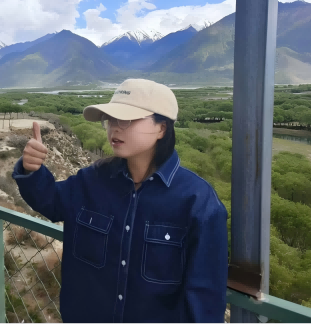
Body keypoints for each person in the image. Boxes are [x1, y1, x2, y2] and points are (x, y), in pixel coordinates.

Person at [12, 78, 228, 323]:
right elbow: (51, 201)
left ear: (162, 128)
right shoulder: (91, 181)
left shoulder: (198, 202)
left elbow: (205, 300)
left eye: (126, 119)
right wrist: (32, 169)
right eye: (110, 119)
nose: (114, 128)